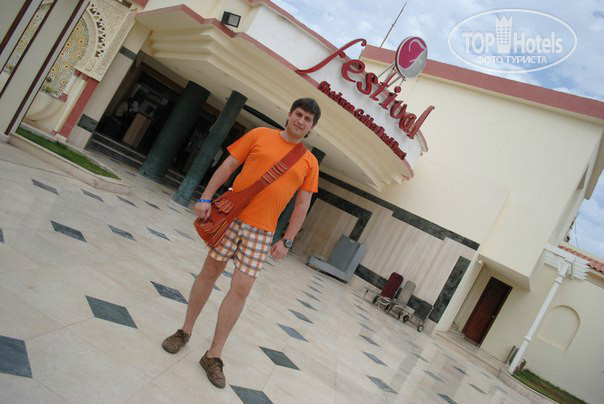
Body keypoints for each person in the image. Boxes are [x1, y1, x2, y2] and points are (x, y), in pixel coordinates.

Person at [162, 98, 321, 388]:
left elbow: (302, 205)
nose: (301, 121)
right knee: (209, 273)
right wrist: (206, 197)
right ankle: (184, 331)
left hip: (263, 232)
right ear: (289, 114)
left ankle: (213, 355)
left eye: (307, 119)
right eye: (298, 114)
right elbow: (229, 165)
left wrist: (287, 240)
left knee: (242, 289)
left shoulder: (309, 162)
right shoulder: (260, 134)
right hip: (231, 218)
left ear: (311, 127)